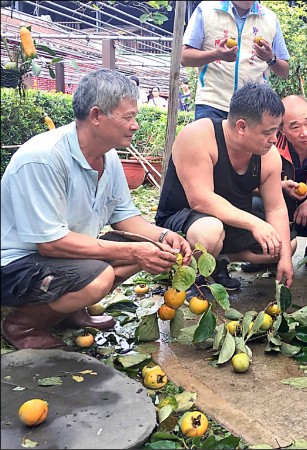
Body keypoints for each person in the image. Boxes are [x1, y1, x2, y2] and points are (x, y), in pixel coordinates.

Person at [0, 69, 192, 351]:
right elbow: (51, 244)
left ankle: (65, 311)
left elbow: (125, 217)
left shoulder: (109, 157)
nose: (135, 125)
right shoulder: (43, 159)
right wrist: (133, 251)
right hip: (16, 265)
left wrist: (163, 237)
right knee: (101, 275)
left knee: (146, 248)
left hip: (60, 258)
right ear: (96, 116)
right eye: (128, 117)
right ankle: (24, 324)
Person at [155, 82, 294, 291]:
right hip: (186, 220)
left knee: (285, 246)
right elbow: (200, 199)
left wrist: (285, 260)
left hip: (232, 222)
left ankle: (222, 259)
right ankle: (194, 274)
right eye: (268, 132)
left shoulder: (269, 156)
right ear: (241, 127)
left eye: (276, 131)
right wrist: (256, 224)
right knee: (210, 231)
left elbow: (276, 208)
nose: (274, 139)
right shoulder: (198, 136)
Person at [242, 95, 307, 273]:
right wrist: (277, 186)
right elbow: (244, 185)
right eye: (295, 127)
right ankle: (263, 254)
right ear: (281, 128)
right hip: (278, 212)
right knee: (252, 204)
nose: (304, 132)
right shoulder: (266, 148)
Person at [181, 1, 290, 121]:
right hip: (212, 104)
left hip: (254, 107)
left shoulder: (270, 19)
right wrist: (216, 54)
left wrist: (270, 58)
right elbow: (184, 58)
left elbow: (284, 72)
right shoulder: (206, 10)